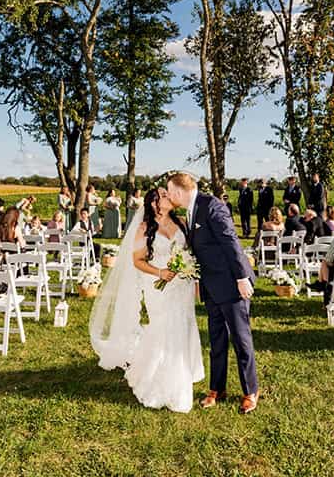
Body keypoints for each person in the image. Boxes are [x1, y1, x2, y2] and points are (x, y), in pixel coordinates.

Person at [89, 187, 204, 413]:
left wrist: (190, 272)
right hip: (157, 286)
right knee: (164, 328)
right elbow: (138, 261)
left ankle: (181, 375)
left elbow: (190, 252)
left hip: (182, 285)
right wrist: (160, 273)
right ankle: (159, 383)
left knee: (183, 327)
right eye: (163, 195)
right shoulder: (144, 228)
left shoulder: (181, 222)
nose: (168, 197)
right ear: (153, 204)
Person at [166, 173, 259, 414]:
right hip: (210, 286)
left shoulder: (212, 206)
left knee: (240, 339)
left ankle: (250, 391)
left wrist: (241, 278)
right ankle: (217, 388)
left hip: (231, 284)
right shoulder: (190, 210)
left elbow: (230, 242)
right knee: (217, 341)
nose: (168, 195)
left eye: (169, 191)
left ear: (178, 191)